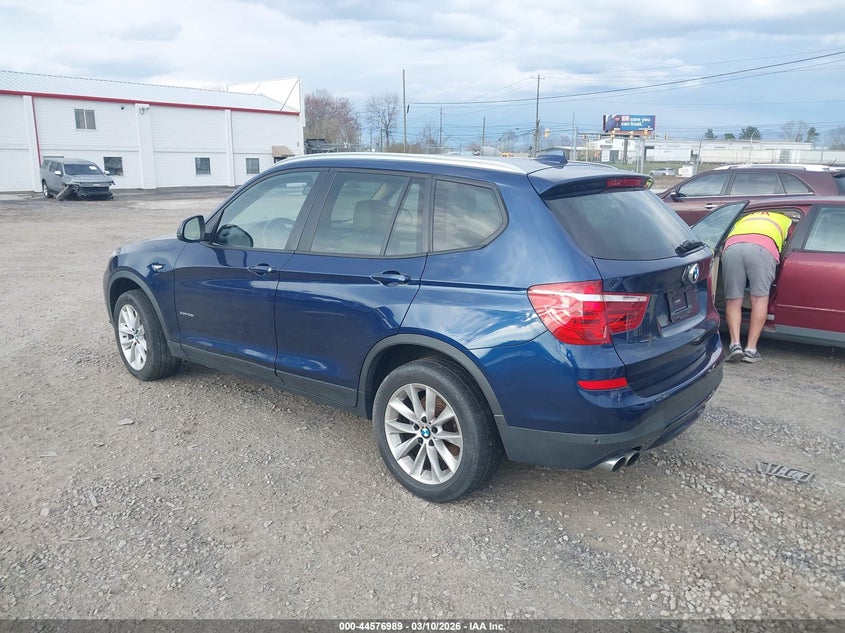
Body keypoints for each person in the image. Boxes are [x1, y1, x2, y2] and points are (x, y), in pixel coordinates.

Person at [721, 210, 793, 363]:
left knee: (733, 299)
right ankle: (751, 349)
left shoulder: (745, 216)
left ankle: (735, 345)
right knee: (759, 299)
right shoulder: (786, 219)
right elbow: (789, 244)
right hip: (762, 248)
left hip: (732, 247)